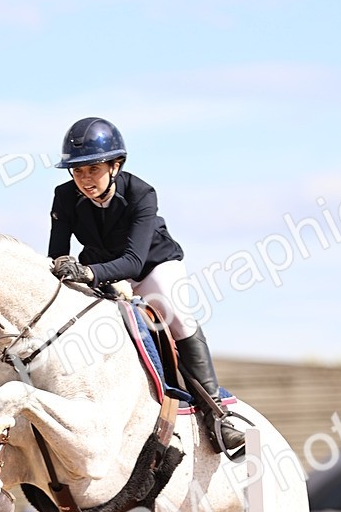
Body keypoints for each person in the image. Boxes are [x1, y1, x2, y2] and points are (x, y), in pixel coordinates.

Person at [47, 116, 244, 455]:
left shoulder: (141, 193)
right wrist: (63, 269)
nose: (85, 179)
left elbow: (134, 263)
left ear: (115, 164)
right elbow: (57, 253)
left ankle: (218, 415)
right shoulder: (64, 197)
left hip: (152, 264)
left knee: (177, 317)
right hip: (97, 267)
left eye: (93, 169)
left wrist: (88, 274)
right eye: (78, 171)